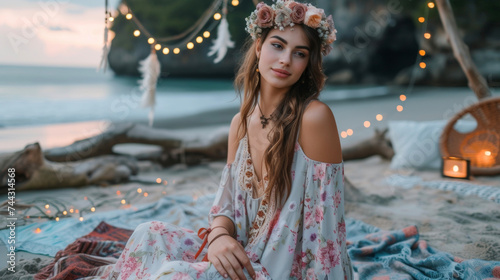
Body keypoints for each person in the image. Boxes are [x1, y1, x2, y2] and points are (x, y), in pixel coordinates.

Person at [88, 1, 352, 279]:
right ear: (259, 47)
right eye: (278, 45)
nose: (286, 59)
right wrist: (218, 237)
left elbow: (326, 226)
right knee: (149, 234)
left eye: (299, 53)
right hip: (239, 252)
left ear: (306, 64)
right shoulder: (239, 123)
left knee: (173, 273)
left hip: (282, 270)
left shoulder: (314, 118)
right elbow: (225, 204)